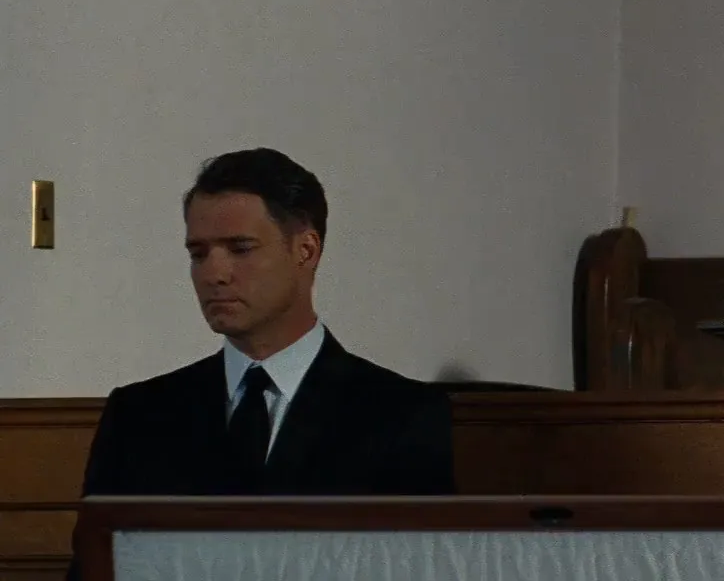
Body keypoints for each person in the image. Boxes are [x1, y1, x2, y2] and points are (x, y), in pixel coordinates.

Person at [77, 148, 455, 499]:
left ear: (305, 250)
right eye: (199, 253)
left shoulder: (400, 416)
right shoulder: (138, 416)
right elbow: (100, 549)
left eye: (240, 249)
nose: (214, 274)